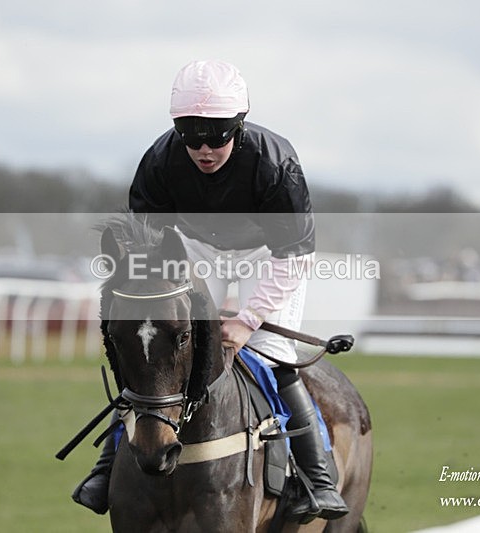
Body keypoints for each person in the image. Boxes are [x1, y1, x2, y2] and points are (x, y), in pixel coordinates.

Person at [73, 59, 348, 523]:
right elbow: (145, 246)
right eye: (191, 136)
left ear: (238, 126)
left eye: (217, 136)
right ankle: (108, 467)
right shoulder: (160, 161)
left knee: (273, 354)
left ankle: (316, 477)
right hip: (197, 249)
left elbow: (295, 255)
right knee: (159, 350)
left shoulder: (275, 163)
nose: (204, 149)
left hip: (270, 255)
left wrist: (247, 321)